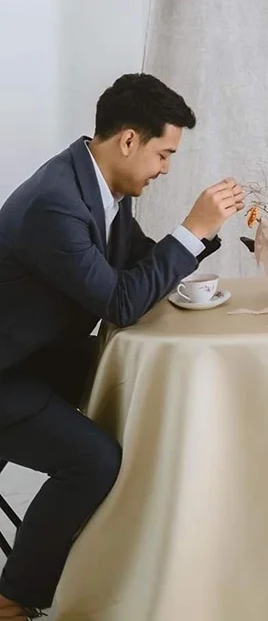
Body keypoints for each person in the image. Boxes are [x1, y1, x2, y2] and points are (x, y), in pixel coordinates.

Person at [0, 73, 245, 620]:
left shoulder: (104, 186)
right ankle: (13, 597)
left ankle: (138, 565)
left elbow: (135, 265)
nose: (166, 169)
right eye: (164, 154)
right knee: (93, 459)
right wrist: (191, 230)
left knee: (148, 389)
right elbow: (120, 301)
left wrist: (196, 244)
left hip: (39, 357)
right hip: (9, 375)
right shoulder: (56, 205)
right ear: (129, 140)